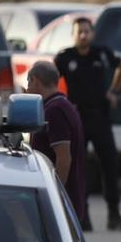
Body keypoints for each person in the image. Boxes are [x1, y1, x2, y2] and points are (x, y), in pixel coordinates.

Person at [54, 16, 121, 232]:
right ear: (73, 35)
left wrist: (113, 91)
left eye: (87, 31)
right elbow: (52, 78)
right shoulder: (64, 57)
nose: (83, 35)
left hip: (100, 118)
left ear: (93, 33)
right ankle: (82, 217)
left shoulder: (102, 54)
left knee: (110, 164)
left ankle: (114, 216)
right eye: (79, 31)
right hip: (77, 119)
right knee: (79, 168)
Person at [25, 62, 87, 221]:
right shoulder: (63, 105)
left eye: (28, 81)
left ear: (36, 81)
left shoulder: (55, 110)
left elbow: (64, 158)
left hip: (62, 202)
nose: (27, 88)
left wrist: (55, 194)